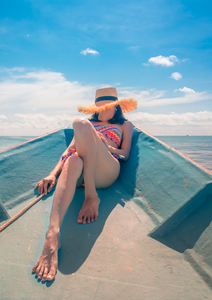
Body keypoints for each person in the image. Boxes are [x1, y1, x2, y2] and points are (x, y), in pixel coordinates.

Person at [32, 87, 138, 281]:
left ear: (116, 108)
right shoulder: (87, 125)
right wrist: (52, 174)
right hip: (80, 171)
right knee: (73, 159)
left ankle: (92, 196)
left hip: (106, 169)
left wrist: (108, 145)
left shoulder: (125, 125)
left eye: (108, 107)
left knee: (80, 126)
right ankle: (52, 235)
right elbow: (69, 150)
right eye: (99, 107)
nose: (103, 110)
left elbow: (125, 154)